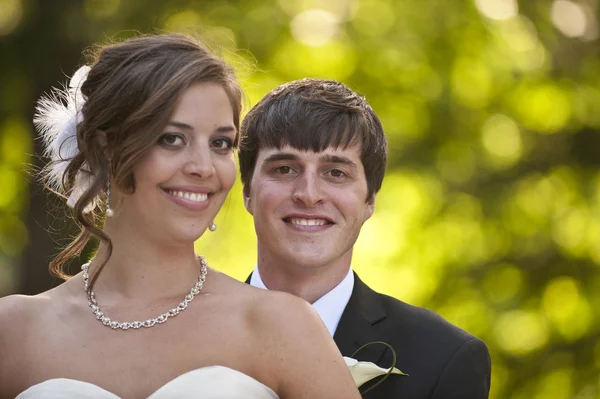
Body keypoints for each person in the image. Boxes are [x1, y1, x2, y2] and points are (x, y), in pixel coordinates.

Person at [0, 35, 361, 399]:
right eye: (173, 139)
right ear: (105, 148)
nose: (204, 168)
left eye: (221, 143)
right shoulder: (13, 330)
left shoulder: (282, 327)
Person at [239, 78, 492, 398]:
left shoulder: (444, 357)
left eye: (335, 173)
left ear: (369, 199)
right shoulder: (182, 337)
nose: (309, 194)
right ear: (247, 191)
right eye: (285, 169)